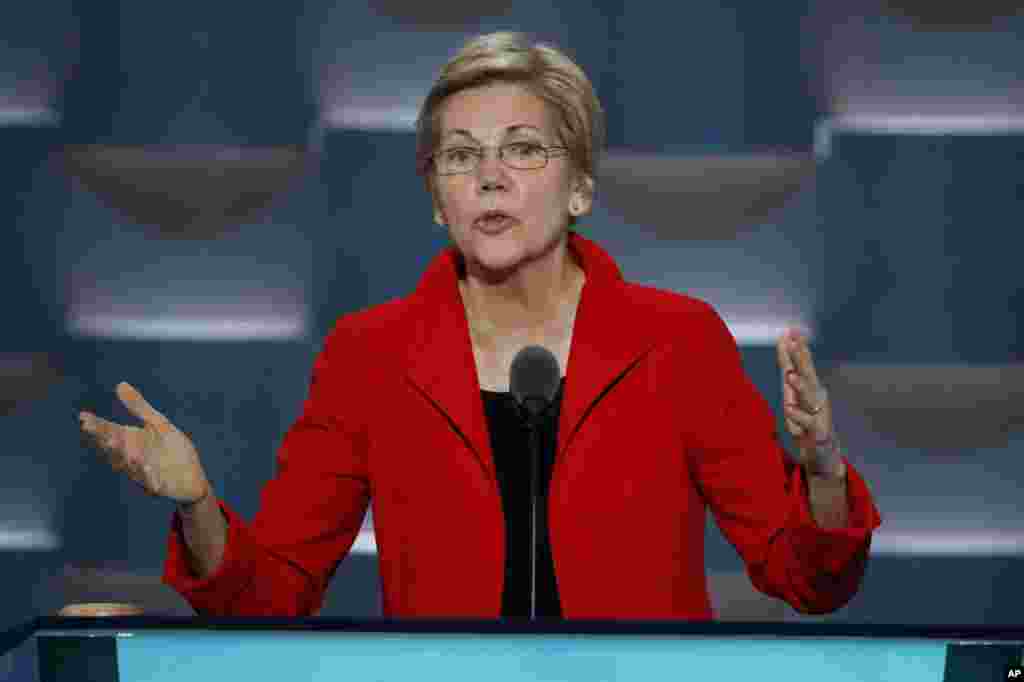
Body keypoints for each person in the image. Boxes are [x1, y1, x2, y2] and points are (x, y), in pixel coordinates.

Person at [77, 31, 881, 620]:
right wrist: (198, 506)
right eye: (460, 158)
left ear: (580, 189)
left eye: (524, 149)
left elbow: (808, 582)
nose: (490, 176)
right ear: (437, 198)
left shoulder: (678, 340)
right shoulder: (371, 355)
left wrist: (821, 471)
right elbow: (274, 595)